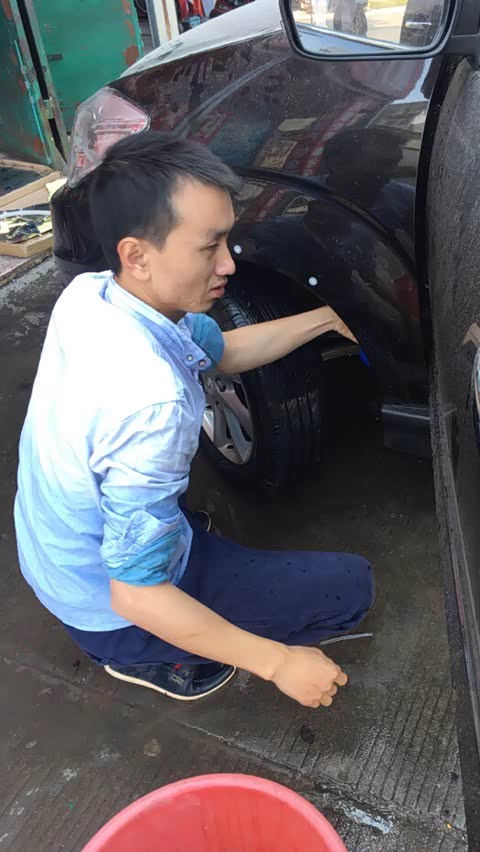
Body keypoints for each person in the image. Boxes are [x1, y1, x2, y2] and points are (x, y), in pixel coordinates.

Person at [14, 131, 374, 705]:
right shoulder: (151, 404)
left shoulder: (93, 294)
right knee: (350, 589)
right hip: (107, 606)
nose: (229, 263)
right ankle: (145, 656)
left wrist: (326, 319)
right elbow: (136, 594)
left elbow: (223, 351)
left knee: (160, 525)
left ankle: (165, 575)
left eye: (227, 238)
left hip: (54, 553)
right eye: (210, 247)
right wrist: (279, 663)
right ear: (137, 255)